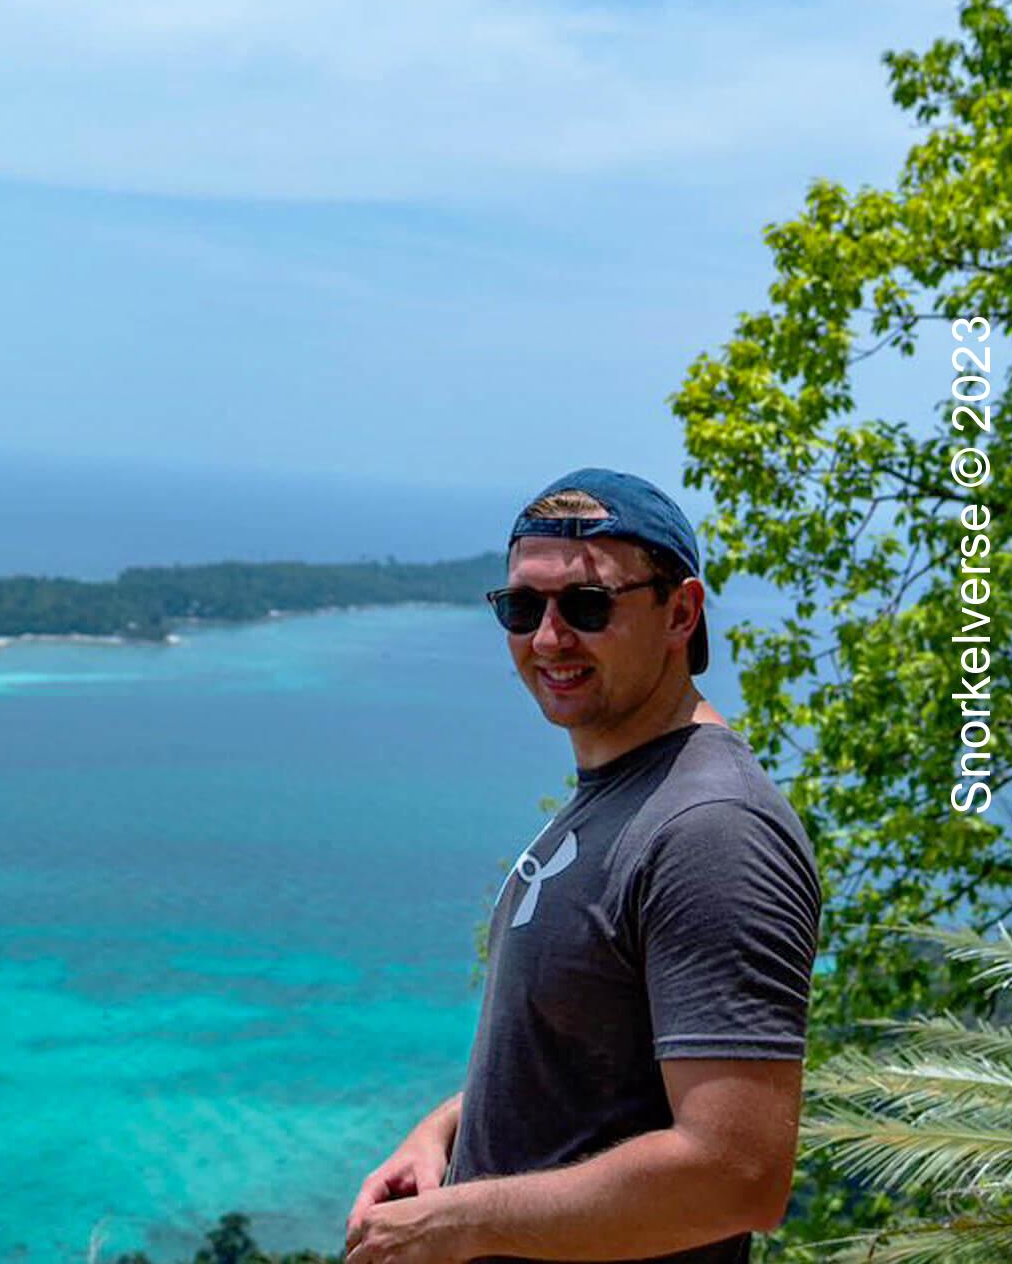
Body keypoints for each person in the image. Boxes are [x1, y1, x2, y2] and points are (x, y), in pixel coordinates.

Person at [342, 468, 822, 1263]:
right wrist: (441, 1134)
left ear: (681, 611)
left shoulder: (711, 829)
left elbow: (736, 1174)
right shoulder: (623, 796)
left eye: (588, 606)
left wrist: (459, 1222)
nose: (548, 638)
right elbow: (582, 1066)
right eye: (523, 607)